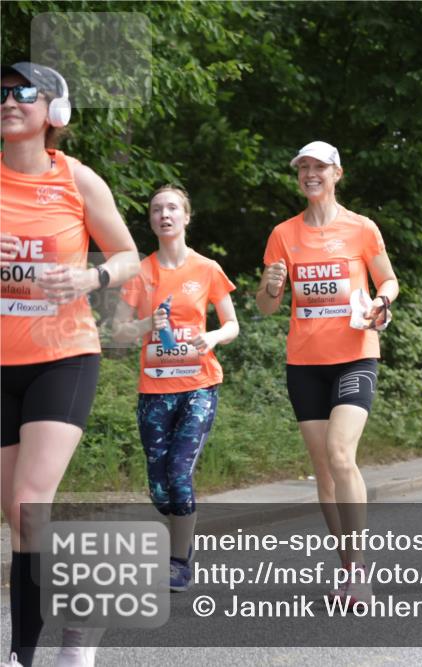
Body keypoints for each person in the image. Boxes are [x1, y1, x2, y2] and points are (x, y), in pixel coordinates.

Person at [1, 62, 140, 667]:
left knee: (31, 501)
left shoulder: (77, 180)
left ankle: (22, 656)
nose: (9, 100)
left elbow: (129, 256)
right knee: (17, 515)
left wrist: (90, 276)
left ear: (55, 112)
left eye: (23, 92)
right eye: (2, 92)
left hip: (64, 355)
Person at [256, 141, 398, 607]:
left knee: (340, 454)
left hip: (355, 354)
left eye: (320, 167)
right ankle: (346, 566)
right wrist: (270, 287)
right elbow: (268, 305)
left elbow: (389, 280)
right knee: (323, 471)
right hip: (304, 362)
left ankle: (359, 570)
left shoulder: (361, 228)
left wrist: (383, 302)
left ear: (337, 173)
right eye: (304, 168)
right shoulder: (283, 234)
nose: (311, 174)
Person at [112, 185, 239, 593]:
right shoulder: (140, 272)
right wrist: (150, 325)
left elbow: (232, 324)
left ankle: (179, 560)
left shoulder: (207, 268)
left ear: (186, 217)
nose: (164, 214)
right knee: (160, 485)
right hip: (154, 390)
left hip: (199, 385)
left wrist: (215, 337)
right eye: (156, 209)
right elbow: (118, 331)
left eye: (171, 208)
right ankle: (180, 528)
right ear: (151, 220)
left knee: (180, 473)